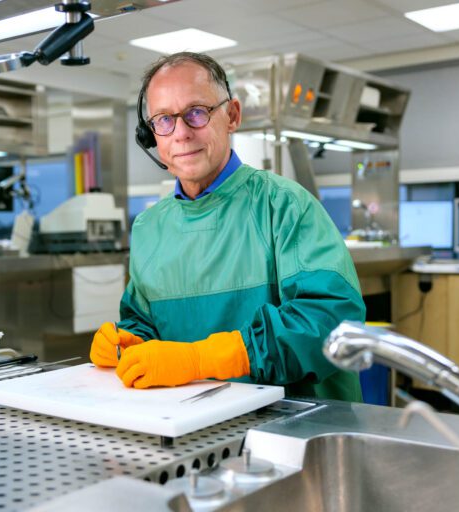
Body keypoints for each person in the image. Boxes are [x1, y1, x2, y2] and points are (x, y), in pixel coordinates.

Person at [89, 52, 365, 401]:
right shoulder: (148, 228)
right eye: (163, 120)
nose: (181, 133)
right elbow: (145, 323)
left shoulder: (284, 206)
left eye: (196, 113)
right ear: (151, 134)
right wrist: (131, 340)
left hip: (293, 428)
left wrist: (205, 358)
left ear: (232, 115)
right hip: (189, 427)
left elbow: (331, 323)